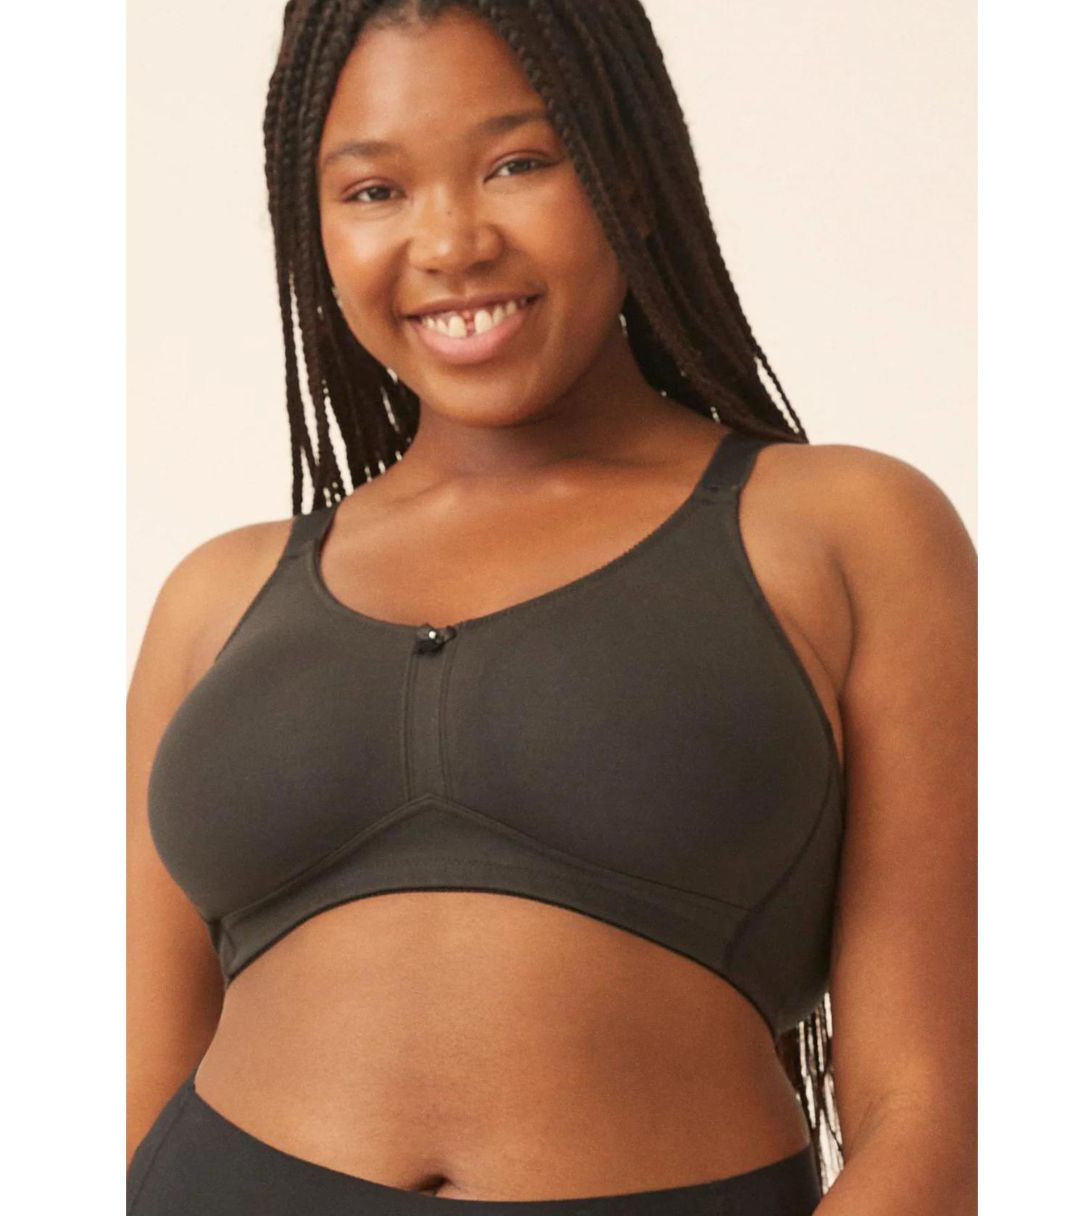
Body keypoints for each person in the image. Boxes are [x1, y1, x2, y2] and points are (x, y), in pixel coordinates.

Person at [126, 1, 976, 1213]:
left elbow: (929, 1110)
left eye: (518, 164)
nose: (450, 241)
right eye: (374, 190)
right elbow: (130, 1092)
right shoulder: (217, 599)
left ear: (629, 175)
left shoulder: (844, 531)